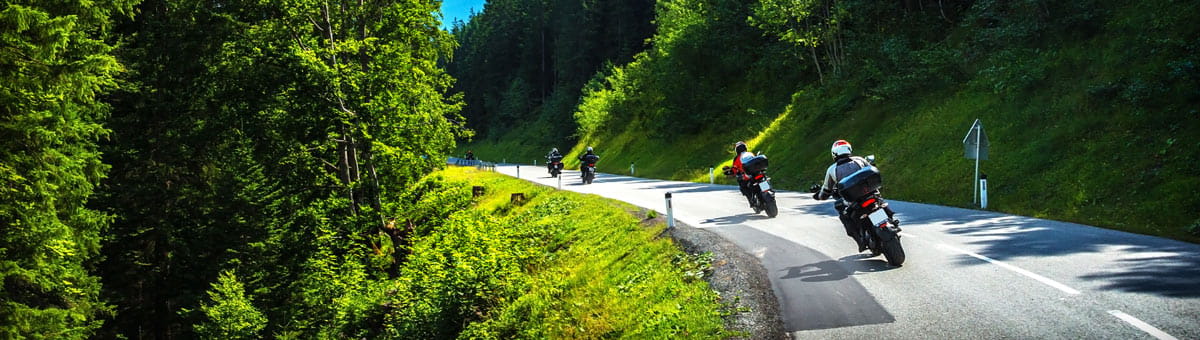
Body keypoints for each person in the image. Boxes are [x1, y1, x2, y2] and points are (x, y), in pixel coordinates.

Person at [812, 140, 897, 251]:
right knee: (880, 202)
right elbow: (870, 170)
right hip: (871, 194)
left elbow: (826, 190)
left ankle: (860, 241)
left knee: (843, 213)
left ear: (834, 153)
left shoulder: (832, 169)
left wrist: (818, 196)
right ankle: (891, 221)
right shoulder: (860, 160)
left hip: (854, 201)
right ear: (849, 149)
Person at [728, 141, 758, 209]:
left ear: (737, 150)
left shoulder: (737, 158)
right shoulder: (750, 154)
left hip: (747, 175)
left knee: (743, 187)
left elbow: (734, 169)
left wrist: (732, 173)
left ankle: (752, 201)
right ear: (745, 148)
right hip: (756, 172)